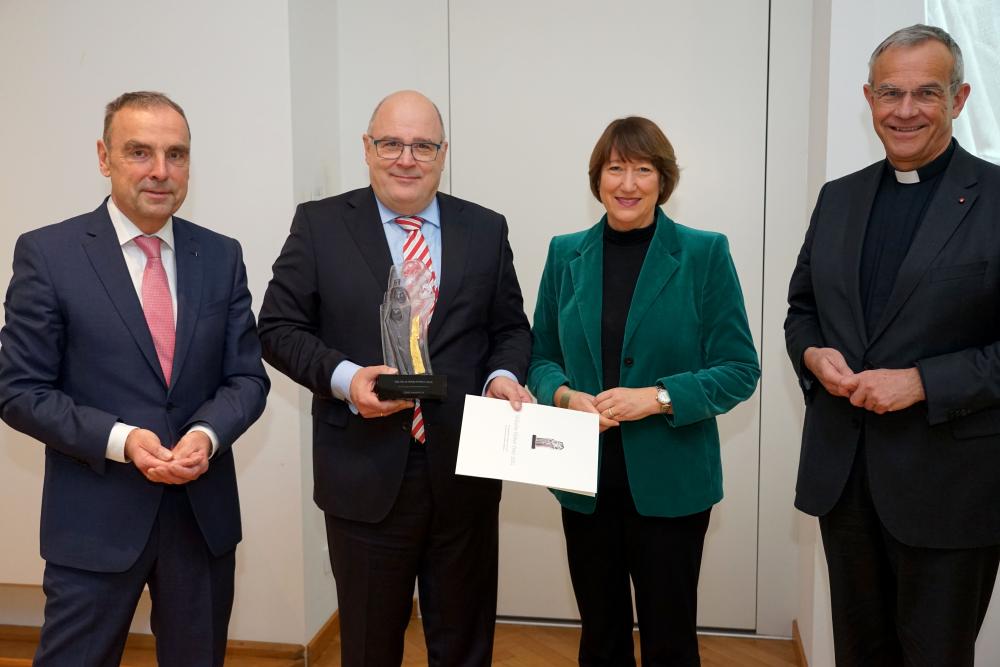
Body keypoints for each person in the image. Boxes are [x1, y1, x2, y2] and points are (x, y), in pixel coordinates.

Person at [257, 89, 532, 666]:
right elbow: (278, 328)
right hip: (363, 476)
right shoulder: (320, 224)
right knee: (368, 648)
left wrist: (503, 375)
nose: (406, 158)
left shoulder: (485, 229)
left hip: (465, 472)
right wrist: (346, 378)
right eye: (390, 143)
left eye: (422, 145)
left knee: (464, 646)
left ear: (442, 152)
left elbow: (510, 327)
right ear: (367, 147)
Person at [0, 91, 270, 666]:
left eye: (176, 154)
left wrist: (207, 435)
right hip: (94, 523)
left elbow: (247, 378)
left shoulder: (221, 256)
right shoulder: (50, 254)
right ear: (104, 157)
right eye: (140, 152)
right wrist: (123, 441)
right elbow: (20, 390)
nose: (160, 171)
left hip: (202, 521)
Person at [785, 24, 1000, 666]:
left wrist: (923, 382)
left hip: (950, 488)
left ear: (959, 99)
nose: (905, 111)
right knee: (858, 652)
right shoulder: (839, 197)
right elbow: (803, 309)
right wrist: (812, 355)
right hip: (843, 481)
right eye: (890, 93)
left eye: (926, 93)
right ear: (869, 98)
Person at [528, 116, 760, 666]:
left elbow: (739, 368)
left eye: (642, 169)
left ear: (663, 180)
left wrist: (655, 397)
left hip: (672, 483)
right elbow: (539, 357)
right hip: (583, 480)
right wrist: (563, 395)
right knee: (600, 635)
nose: (627, 183)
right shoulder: (565, 254)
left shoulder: (704, 253)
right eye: (615, 168)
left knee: (670, 639)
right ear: (597, 178)